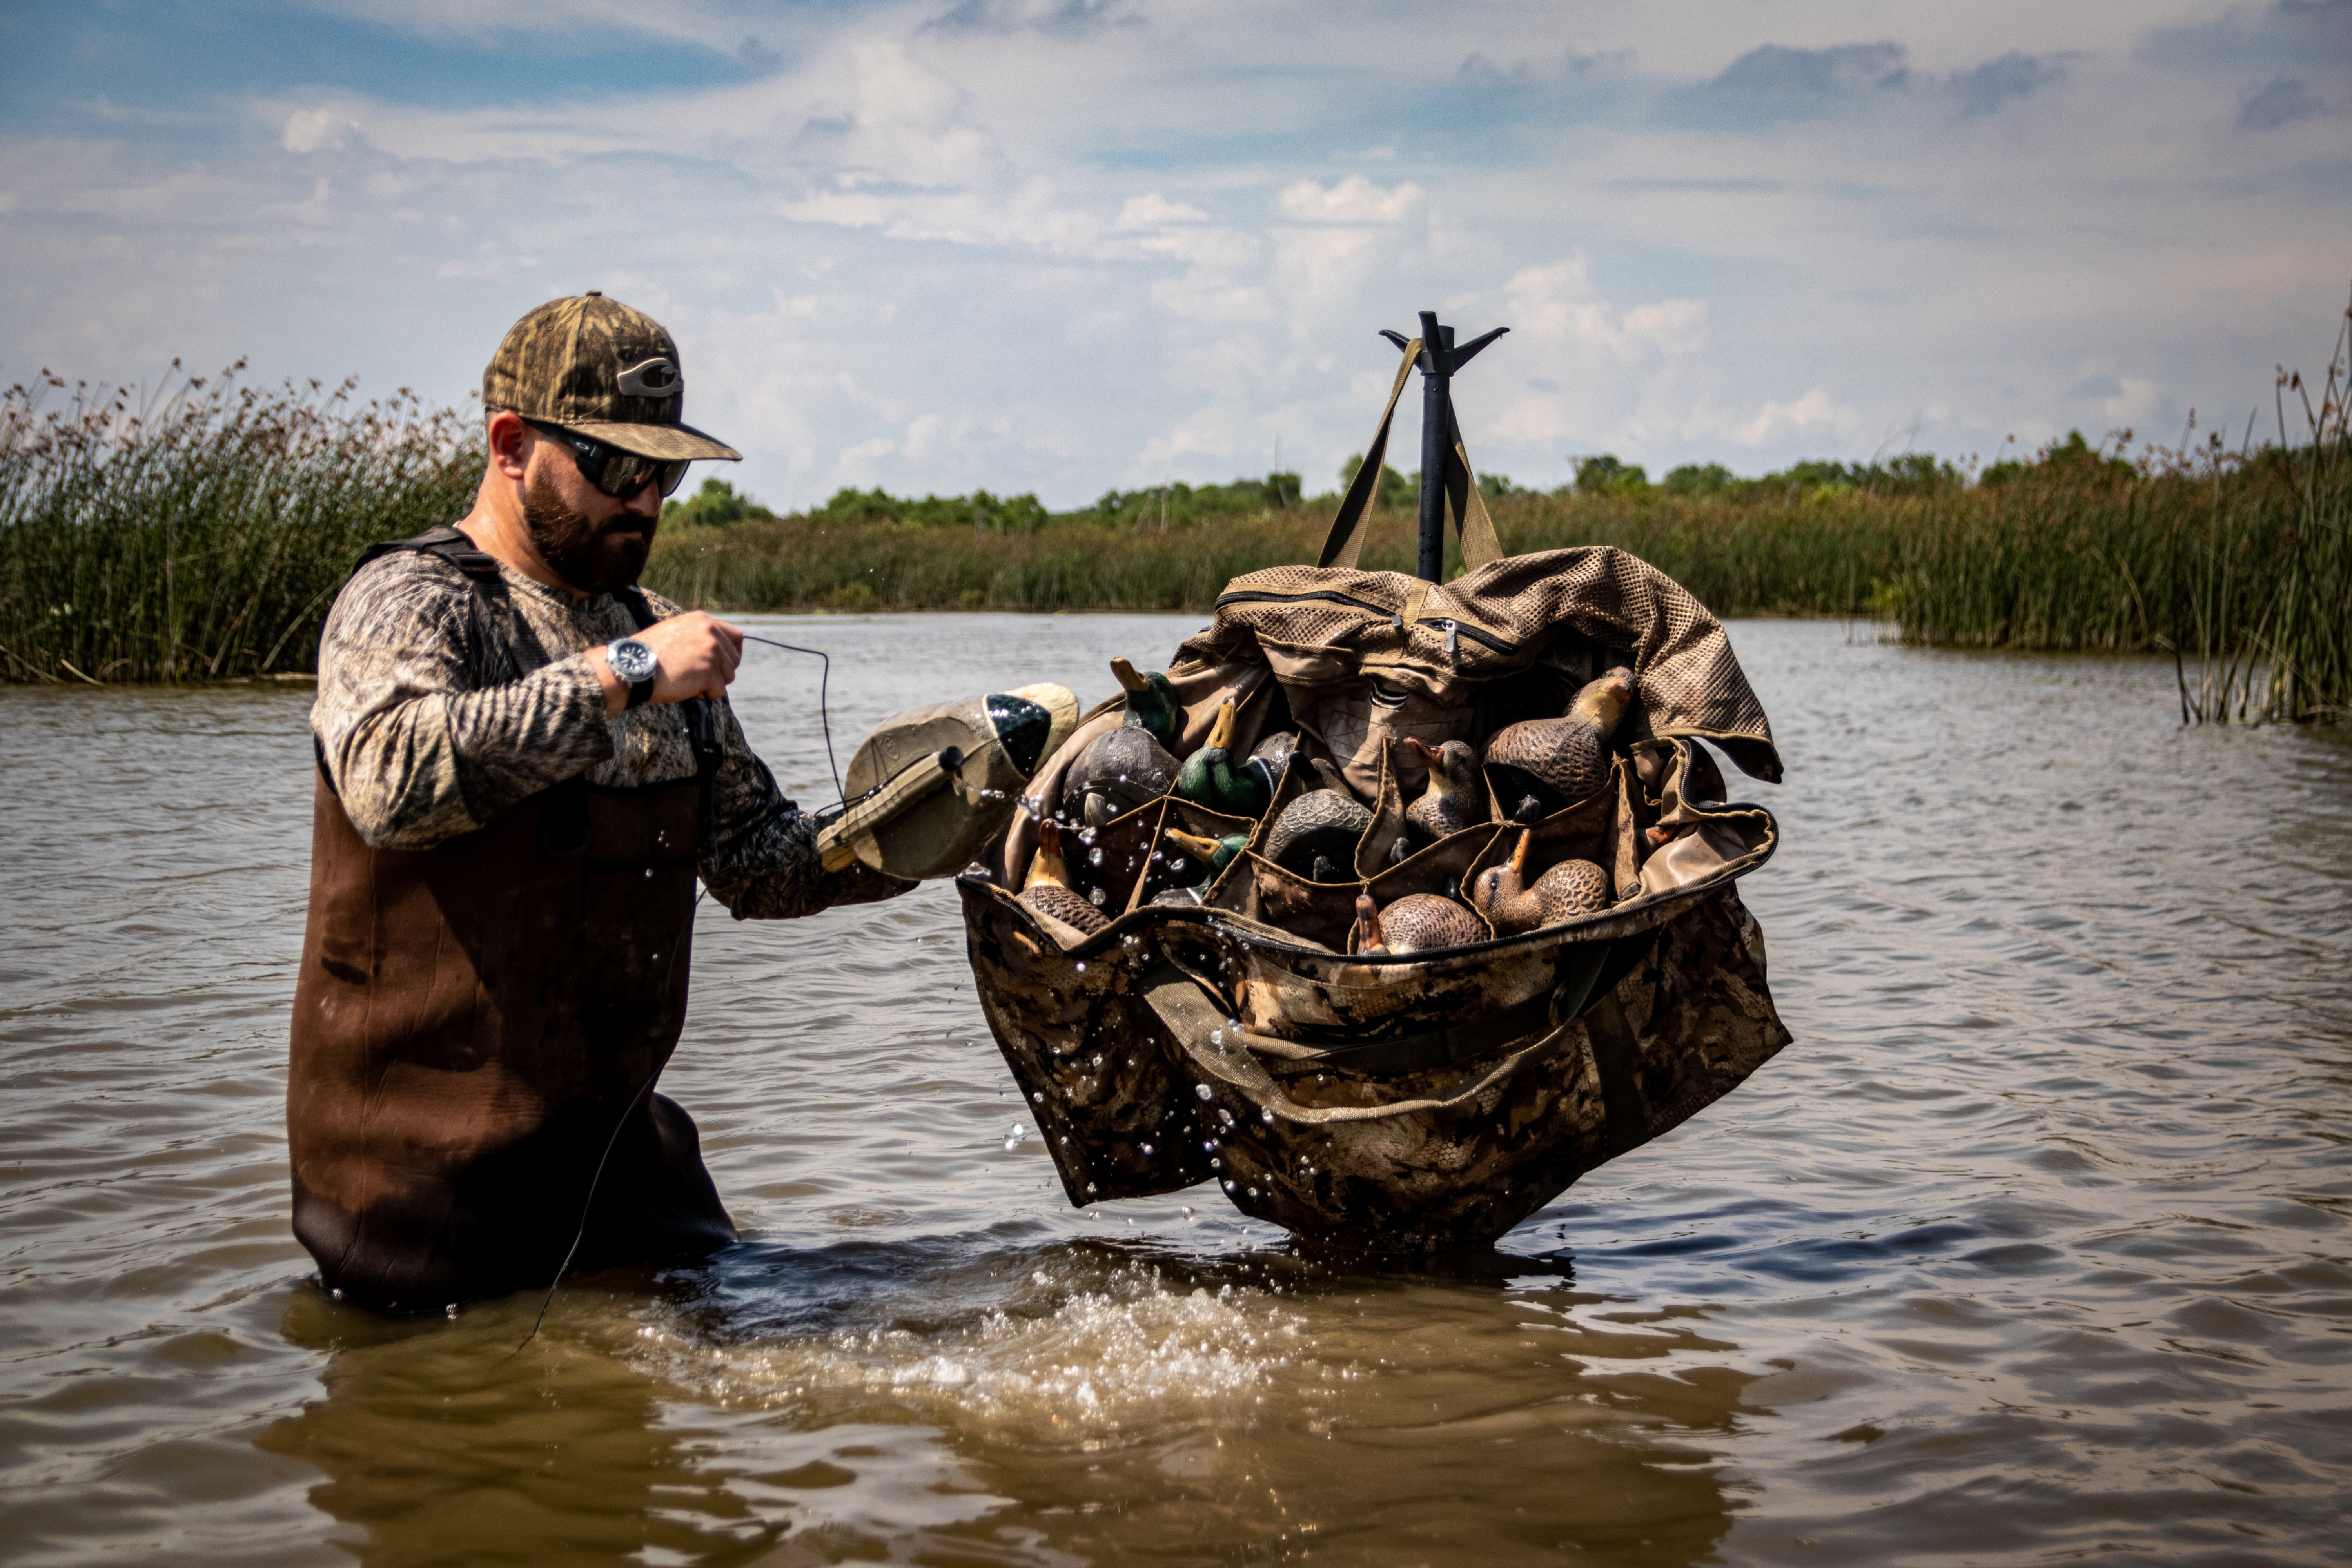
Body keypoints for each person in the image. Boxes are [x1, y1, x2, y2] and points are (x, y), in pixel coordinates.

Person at [287, 291, 910, 1312]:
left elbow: (763, 862)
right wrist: (623, 672)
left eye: (666, 474)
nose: (648, 504)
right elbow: (392, 787)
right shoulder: (412, 603)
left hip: (630, 1183)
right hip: (424, 1211)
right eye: (618, 469)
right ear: (510, 444)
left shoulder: (652, 627)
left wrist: (947, 812)